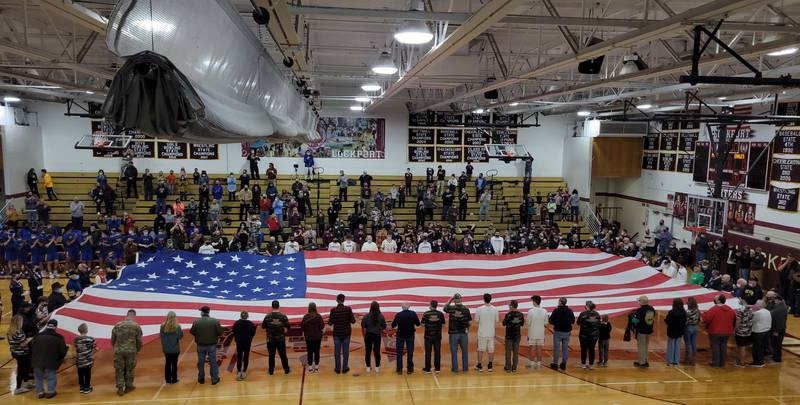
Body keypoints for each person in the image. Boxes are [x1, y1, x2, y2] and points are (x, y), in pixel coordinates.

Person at [30, 319, 67, 399]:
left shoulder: (38, 335)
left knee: (38, 377)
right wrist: (60, 359)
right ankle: (50, 392)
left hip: (36, 360)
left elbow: (32, 347)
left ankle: (40, 392)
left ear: (47, 325)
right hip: (51, 361)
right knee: (51, 376)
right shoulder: (59, 337)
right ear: (56, 327)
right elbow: (63, 351)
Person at [111, 309, 142, 396]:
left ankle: (120, 388)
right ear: (134, 316)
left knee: (119, 369)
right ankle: (129, 386)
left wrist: (115, 347)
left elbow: (113, 339)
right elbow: (139, 340)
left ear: (127, 315)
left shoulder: (117, 325)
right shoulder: (136, 326)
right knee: (130, 369)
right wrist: (137, 350)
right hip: (131, 351)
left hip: (119, 351)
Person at [190, 306, 224, 384]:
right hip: (211, 345)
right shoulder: (215, 321)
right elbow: (220, 332)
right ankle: (214, 379)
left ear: (202, 312)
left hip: (200, 345)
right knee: (213, 362)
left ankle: (201, 379)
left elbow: (192, 332)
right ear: (208, 312)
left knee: (200, 363)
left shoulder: (196, 322)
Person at [702, 294, 736, 368]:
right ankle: (722, 363)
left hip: (715, 332)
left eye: (715, 299)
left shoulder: (714, 309)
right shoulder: (730, 309)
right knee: (723, 346)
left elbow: (706, 319)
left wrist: (704, 314)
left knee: (715, 347)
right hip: (727, 332)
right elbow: (734, 320)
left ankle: (715, 363)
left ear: (718, 300)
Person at [444, 293, 472, 373]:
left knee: (454, 352)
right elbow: (470, 322)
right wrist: (467, 329)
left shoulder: (451, 308)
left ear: (455, 300)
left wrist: (450, 299)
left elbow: (444, 308)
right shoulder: (466, 309)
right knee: (465, 352)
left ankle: (455, 369)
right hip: (464, 333)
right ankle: (465, 369)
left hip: (453, 333)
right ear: (461, 299)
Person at [328, 293, 355, 374]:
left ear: (337, 300)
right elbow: (353, 321)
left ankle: (337, 369)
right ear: (344, 300)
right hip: (346, 333)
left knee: (337, 352)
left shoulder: (333, 310)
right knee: (346, 351)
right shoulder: (348, 309)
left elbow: (330, 323)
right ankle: (345, 368)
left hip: (337, 334)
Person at [262, 300, 291, 375]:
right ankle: (286, 370)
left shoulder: (267, 316)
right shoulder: (283, 316)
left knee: (271, 356)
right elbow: (288, 326)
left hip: (270, 339)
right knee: (283, 355)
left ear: (272, 307)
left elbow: (263, 326)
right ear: (279, 306)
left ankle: (271, 371)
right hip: (280, 339)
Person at [8, 315, 34, 395]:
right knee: (21, 370)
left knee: (25, 368)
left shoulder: (11, 331)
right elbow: (22, 344)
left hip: (17, 352)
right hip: (21, 353)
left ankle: (26, 383)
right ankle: (18, 388)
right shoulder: (18, 332)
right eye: (21, 321)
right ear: (18, 322)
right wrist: (30, 340)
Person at [391, 302, 420, 375]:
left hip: (400, 336)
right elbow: (418, 324)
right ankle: (410, 369)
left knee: (399, 353)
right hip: (410, 335)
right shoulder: (413, 314)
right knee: (410, 353)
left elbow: (393, 325)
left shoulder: (398, 315)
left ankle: (399, 370)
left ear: (402, 307)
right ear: (409, 307)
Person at [548, 297, 575, 370]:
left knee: (556, 348)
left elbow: (551, 321)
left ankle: (555, 363)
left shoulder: (556, 310)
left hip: (558, 332)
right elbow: (573, 321)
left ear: (560, 302)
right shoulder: (570, 311)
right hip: (567, 332)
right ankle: (563, 363)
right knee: (565, 348)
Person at [475, 293, 498, 372]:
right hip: (491, 333)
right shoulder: (495, 309)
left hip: (482, 333)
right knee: (491, 350)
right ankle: (490, 365)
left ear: (483, 299)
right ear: (490, 299)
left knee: (480, 349)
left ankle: (479, 365)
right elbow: (496, 321)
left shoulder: (479, 309)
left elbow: (476, 320)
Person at [361, 301, 386, 373]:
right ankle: (377, 367)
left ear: (370, 307)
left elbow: (363, 326)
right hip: (377, 335)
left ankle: (368, 367)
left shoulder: (366, 316)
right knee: (377, 351)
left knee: (368, 351)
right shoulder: (381, 316)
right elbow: (384, 326)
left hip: (368, 335)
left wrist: (363, 335)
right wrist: (380, 329)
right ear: (378, 307)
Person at [421, 299, 445, 374]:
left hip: (428, 336)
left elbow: (422, 325)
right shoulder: (440, 314)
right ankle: (437, 368)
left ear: (430, 305)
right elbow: (443, 325)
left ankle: (427, 369)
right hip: (437, 336)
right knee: (437, 352)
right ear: (436, 306)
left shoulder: (426, 314)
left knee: (428, 353)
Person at [631, 295, 655, 368]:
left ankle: (642, 363)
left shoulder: (640, 310)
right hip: (649, 330)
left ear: (642, 302)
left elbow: (635, 321)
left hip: (641, 331)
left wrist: (632, 317)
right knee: (646, 346)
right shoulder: (652, 309)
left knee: (641, 347)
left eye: (639, 301)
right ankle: (645, 360)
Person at [159, 311, 184, 384]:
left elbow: (161, 336)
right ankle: (174, 379)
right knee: (174, 364)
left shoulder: (162, 326)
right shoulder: (177, 326)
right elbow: (180, 336)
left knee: (167, 363)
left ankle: (168, 379)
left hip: (166, 349)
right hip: (175, 349)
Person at [231, 311, 256, 380]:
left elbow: (234, 332)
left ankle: (239, 372)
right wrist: (250, 339)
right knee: (246, 356)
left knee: (239, 356)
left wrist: (236, 339)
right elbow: (253, 333)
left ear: (240, 316)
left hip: (239, 342)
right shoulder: (251, 324)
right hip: (247, 342)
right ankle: (244, 371)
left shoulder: (236, 323)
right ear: (247, 316)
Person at [301, 302, 325, 373]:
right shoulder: (318, 316)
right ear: (315, 308)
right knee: (317, 352)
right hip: (317, 338)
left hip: (309, 338)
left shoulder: (306, 317)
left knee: (310, 352)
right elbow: (322, 327)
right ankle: (317, 368)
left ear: (309, 308)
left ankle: (310, 368)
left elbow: (302, 327)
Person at [577, 300, 600, 370]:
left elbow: (578, 323)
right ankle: (591, 365)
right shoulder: (597, 314)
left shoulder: (582, 314)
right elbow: (599, 324)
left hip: (584, 335)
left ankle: (583, 364)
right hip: (594, 336)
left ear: (587, 306)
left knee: (583, 349)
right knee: (591, 350)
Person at [502, 300, 524, 372]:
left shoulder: (508, 315)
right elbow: (522, 324)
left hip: (509, 336)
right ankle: (514, 368)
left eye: (509, 305)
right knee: (516, 352)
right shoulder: (521, 315)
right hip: (517, 336)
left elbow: (504, 323)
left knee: (508, 352)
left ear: (511, 306)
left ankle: (508, 368)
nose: (508, 306)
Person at [526, 295, 548, 370]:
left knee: (532, 348)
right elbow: (546, 323)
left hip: (532, 333)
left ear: (534, 301)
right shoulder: (545, 311)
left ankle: (532, 364)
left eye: (532, 301)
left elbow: (528, 323)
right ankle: (539, 364)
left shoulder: (530, 311)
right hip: (541, 333)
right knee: (539, 348)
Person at [74, 323, 96, 394]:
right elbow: (95, 348)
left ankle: (81, 388)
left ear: (79, 331)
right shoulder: (91, 339)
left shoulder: (76, 339)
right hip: (88, 360)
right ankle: (87, 388)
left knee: (80, 374)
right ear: (86, 330)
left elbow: (76, 347)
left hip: (79, 360)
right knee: (87, 374)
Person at [766, 291, 787, 363]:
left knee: (777, 344)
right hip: (777, 329)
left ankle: (777, 359)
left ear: (779, 300)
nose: (774, 301)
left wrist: (776, 331)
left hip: (778, 330)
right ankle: (775, 356)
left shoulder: (780, 309)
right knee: (775, 344)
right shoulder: (780, 305)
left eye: (775, 300)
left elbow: (780, 322)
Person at [665, 298, 687, 366]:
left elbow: (667, 320)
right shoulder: (684, 312)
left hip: (672, 331)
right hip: (680, 331)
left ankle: (670, 361)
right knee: (677, 346)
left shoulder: (671, 312)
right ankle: (676, 361)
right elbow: (685, 321)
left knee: (671, 345)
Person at [750, 299, 771, 367]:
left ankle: (758, 363)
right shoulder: (767, 311)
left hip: (758, 332)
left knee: (756, 348)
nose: (755, 305)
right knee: (761, 348)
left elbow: (751, 321)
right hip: (766, 332)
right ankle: (761, 361)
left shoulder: (757, 313)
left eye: (756, 304)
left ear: (759, 305)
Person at [684, 297, 700, 365]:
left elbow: (686, 321)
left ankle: (688, 359)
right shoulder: (697, 310)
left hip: (688, 328)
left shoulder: (687, 312)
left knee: (688, 344)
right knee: (693, 344)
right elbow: (699, 319)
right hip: (695, 327)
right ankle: (693, 360)